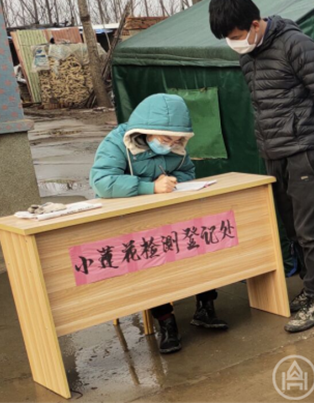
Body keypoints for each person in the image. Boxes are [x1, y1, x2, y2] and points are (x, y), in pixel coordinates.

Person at [209, 0, 314, 333]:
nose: (234, 44)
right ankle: (308, 288)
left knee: (310, 229)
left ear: (255, 24)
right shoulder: (248, 57)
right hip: (274, 152)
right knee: (291, 228)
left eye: (237, 36)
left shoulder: (295, 44)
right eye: (228, 39)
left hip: (305, 149)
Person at [90, 93, 228, 354]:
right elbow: (102, 182)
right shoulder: (117, 142)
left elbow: (187, 171)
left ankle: (205, 307)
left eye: (176, 140)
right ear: (146, 130)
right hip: (134, 221)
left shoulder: (176, 144)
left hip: (169, 213)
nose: (171, 145)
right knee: (151, 259)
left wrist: (175, 182)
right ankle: (166, 322)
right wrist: (149, 187)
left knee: (201, 245)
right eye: (165, 140)